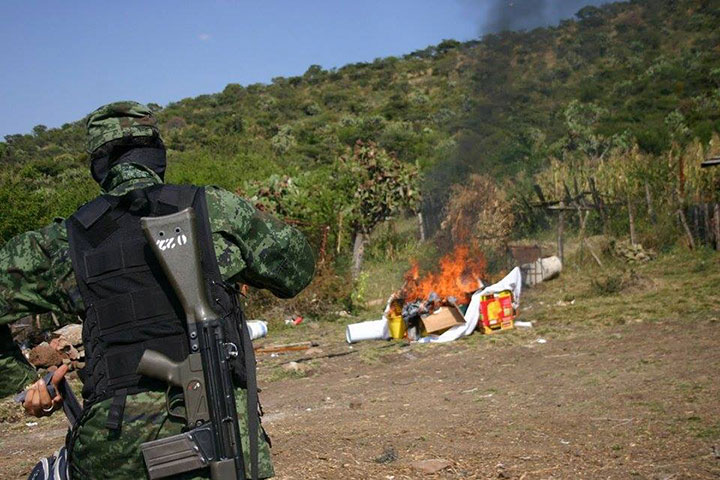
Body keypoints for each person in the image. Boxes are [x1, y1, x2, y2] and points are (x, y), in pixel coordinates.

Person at [0, 101, 315, 479]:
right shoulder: (215, 209)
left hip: (116, 445)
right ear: (157, 154)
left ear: (99, 166)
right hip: (224, 435)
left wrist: (25, 383)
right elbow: (296, 270)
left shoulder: (65, 241)